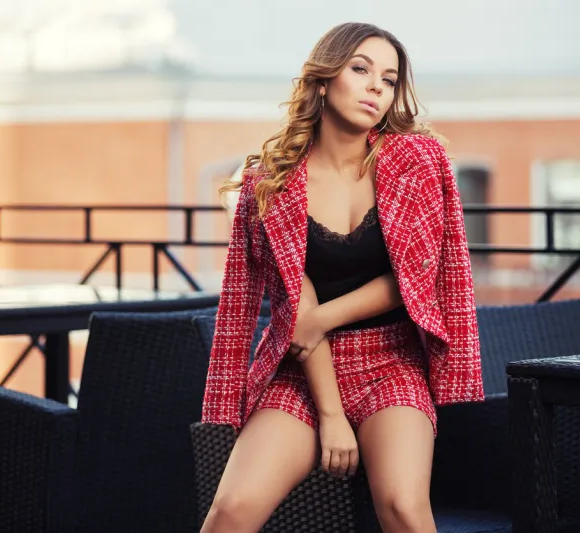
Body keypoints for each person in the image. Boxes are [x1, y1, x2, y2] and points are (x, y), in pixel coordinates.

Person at [201, 22, 483, 533]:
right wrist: (330, 415)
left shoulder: (417, 160)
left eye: (390, 79)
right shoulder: (272, 181)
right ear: (325, 79)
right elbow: (293, 306)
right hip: (303, 371)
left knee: (402, 505)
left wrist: (323, 317)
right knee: (231, 510)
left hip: (392, 360)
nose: (378, 87)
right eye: (361, 69)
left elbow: (418, 277)